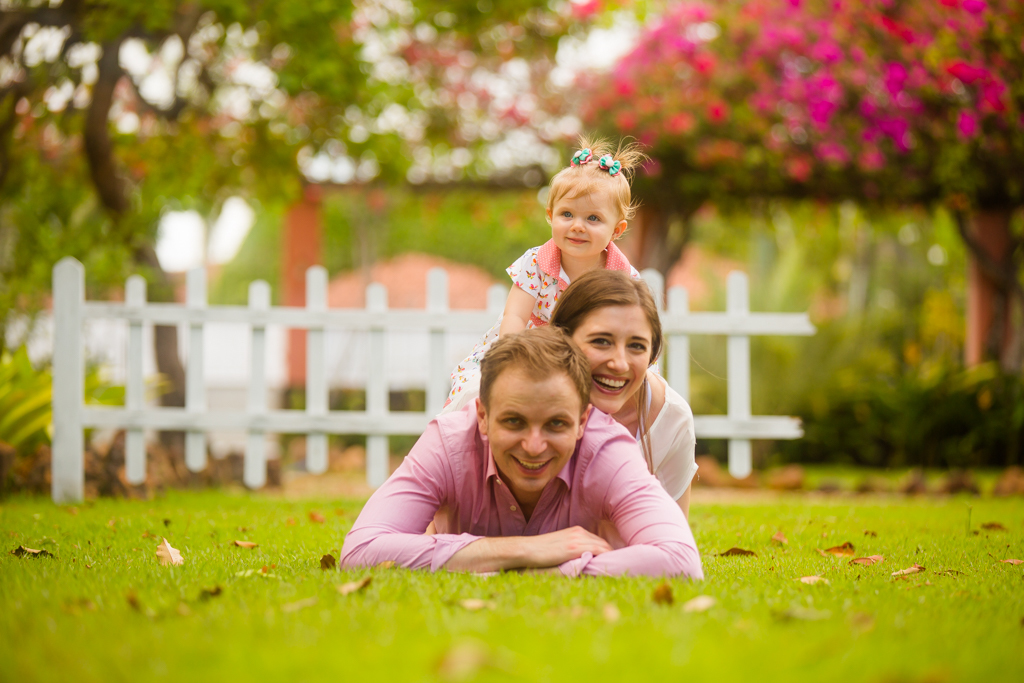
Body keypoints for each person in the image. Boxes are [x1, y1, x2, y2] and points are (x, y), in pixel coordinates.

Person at [341, 328, 703, 578]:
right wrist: (526, 550)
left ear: (582, 421)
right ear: (482, 415)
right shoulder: (449, 442)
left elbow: (681, 560)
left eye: (556, 425)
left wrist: (550, 571)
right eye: (514, 421)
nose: (533, 446)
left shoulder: (607, 450)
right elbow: (361, 551)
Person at [443, 136, 647, 413]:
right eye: (567, 214)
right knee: (476, 389)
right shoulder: (537, 262)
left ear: (617, 230)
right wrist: (512, 362)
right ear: (551, 215)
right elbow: (515, 316)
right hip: (529, 347)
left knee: (639, 401)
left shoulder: (622, 277)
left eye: (593, 218)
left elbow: (630, 331)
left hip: (591, 359)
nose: (577, 226)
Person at [551, 270, 698, 518]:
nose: (619, 364)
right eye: (601, 341)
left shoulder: (672, 419)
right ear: (561, 341)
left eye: (636, 346)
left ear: (652, 355)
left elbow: (673, 543)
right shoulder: (523, 409)